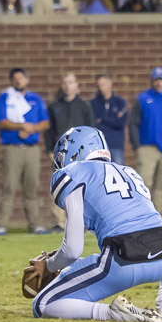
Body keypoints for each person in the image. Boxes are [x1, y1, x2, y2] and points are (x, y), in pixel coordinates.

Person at [32, 126, 162, 322]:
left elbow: (72, 249)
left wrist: (48, 265)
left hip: (123, 261)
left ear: (75, 151)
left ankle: (111, 313)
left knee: (42, 304)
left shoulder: (73, 172)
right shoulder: (129, 171)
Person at [0, 68, 49, 235]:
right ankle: (2, 224)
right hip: (12, 148)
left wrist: (31, 129)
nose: (18, 81)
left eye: (21, 78)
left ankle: (35, 223)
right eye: (15, 78)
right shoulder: (5, 97)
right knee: (9, 186)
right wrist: (21, 126)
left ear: (27, 79)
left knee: (31, 187)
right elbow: (1, 121)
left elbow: (45, 123)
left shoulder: (35, 98)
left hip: (32, 148)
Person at [45, 73, 94, 228]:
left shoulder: (84, 107)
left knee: (81, 186)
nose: (68, 85)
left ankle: (83, 222)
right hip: (59, 152)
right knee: (59, 185)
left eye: (71, 82)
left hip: (80, 152)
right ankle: (59, 222)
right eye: (65, 82)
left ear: (77, 86)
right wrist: (49, 150)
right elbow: (49, 131)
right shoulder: (54, 107)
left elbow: (90, 129)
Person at [131, 66, 162, 213]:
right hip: (147, 147)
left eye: (161, 80)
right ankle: (141, 214)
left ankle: (157, 216)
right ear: (152, 81)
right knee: (144, 183)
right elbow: (133, 123)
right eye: (156, 80)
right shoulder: (143, 99)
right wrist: (137, 146)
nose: (158, 83)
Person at [92, 75, 129, 164]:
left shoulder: (120, 102)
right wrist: (113, 119)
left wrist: (102, 120)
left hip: (116, 145)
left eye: (103, 85)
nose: (100, 88)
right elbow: (94, 124)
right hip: (99, 146)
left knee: (117, 172)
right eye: (98, 86)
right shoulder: (93, 103)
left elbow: (121, 123)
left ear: (110, 85)